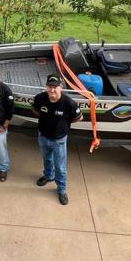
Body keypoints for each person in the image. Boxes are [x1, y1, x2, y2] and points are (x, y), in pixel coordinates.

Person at [31, 74, 83, 205]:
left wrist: (63, 124)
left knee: (60, 167)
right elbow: (35, 110)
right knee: (47, 159)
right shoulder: (39, 98)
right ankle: (48, 176)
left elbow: (78, 118)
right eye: (50, 86)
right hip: (43, 136)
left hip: (59, 140)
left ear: (61, 87)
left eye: (55, 87)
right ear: (46, 86)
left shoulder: (69, 103)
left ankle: (61, 190)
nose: (52, 90)